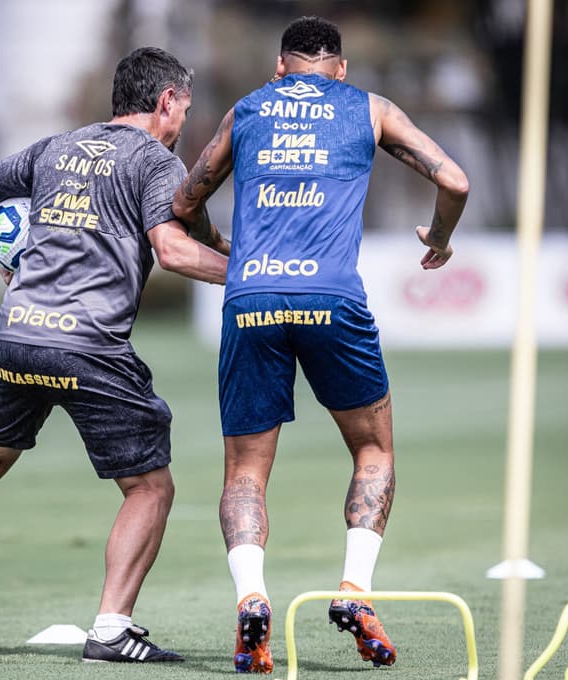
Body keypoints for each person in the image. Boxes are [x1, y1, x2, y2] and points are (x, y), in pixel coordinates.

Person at [0, 46, 229, 664]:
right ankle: (113, 629)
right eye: (185, 108)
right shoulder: (155, 162)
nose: (184, 123)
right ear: (167, 101)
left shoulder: (56, 148)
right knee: (149, 488)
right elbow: (171, 252)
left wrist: (3, 266)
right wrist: (251, 274)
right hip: (89, 346)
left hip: (19, 333)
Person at [173, 16, 469, 674]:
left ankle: (252, 599)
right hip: (332, 298)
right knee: (373, 447)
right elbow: (455, 180)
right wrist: (441, 240)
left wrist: (223, 244)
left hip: (249, 298)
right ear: (339, 68)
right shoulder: (369, 107)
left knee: (245, 473)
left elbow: (184, 197)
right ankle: (354, 591)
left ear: (281, 67)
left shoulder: (248, 110)